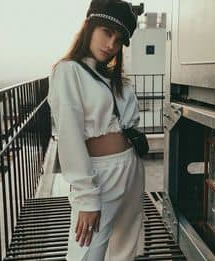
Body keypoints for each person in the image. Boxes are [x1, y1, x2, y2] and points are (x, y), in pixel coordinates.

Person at [47, 0, 145, 260]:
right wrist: (87, 197)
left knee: (124, 250)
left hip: (131, 166)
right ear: (89, 27)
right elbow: (69, 136)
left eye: (119, 39)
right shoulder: (68, 71)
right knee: (86, 252)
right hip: (100, 174)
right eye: (107, 32)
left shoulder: (111, 78)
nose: (111, 45)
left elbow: (129, 121)